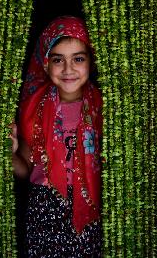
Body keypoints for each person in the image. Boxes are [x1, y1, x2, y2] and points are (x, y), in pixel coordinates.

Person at [9, 16, 103, 257]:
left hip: (92, 208)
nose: (68, 69)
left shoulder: (103, 108)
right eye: (58, 59)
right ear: (46, 64)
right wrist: (9, 153)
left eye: (78, 59)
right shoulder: (33, 109)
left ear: (91, 63)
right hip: (45, 211)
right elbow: (26, 169)